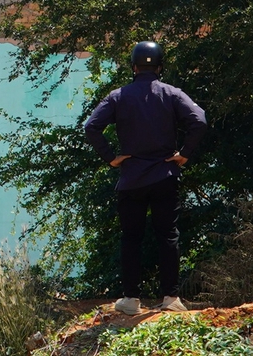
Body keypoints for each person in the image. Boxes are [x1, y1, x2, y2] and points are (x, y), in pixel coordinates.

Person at [83, 41, 208, 315]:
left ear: (133, 67)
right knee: (168, 236)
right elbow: (199, 120)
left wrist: (111, 157)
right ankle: (171, 298)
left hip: (132, 179)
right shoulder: (172, 93)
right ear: (160, 67)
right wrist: (184, 153)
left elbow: (91, 127)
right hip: (165, 175)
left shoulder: (118, 96)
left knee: (131, 238)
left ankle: (131, 300)